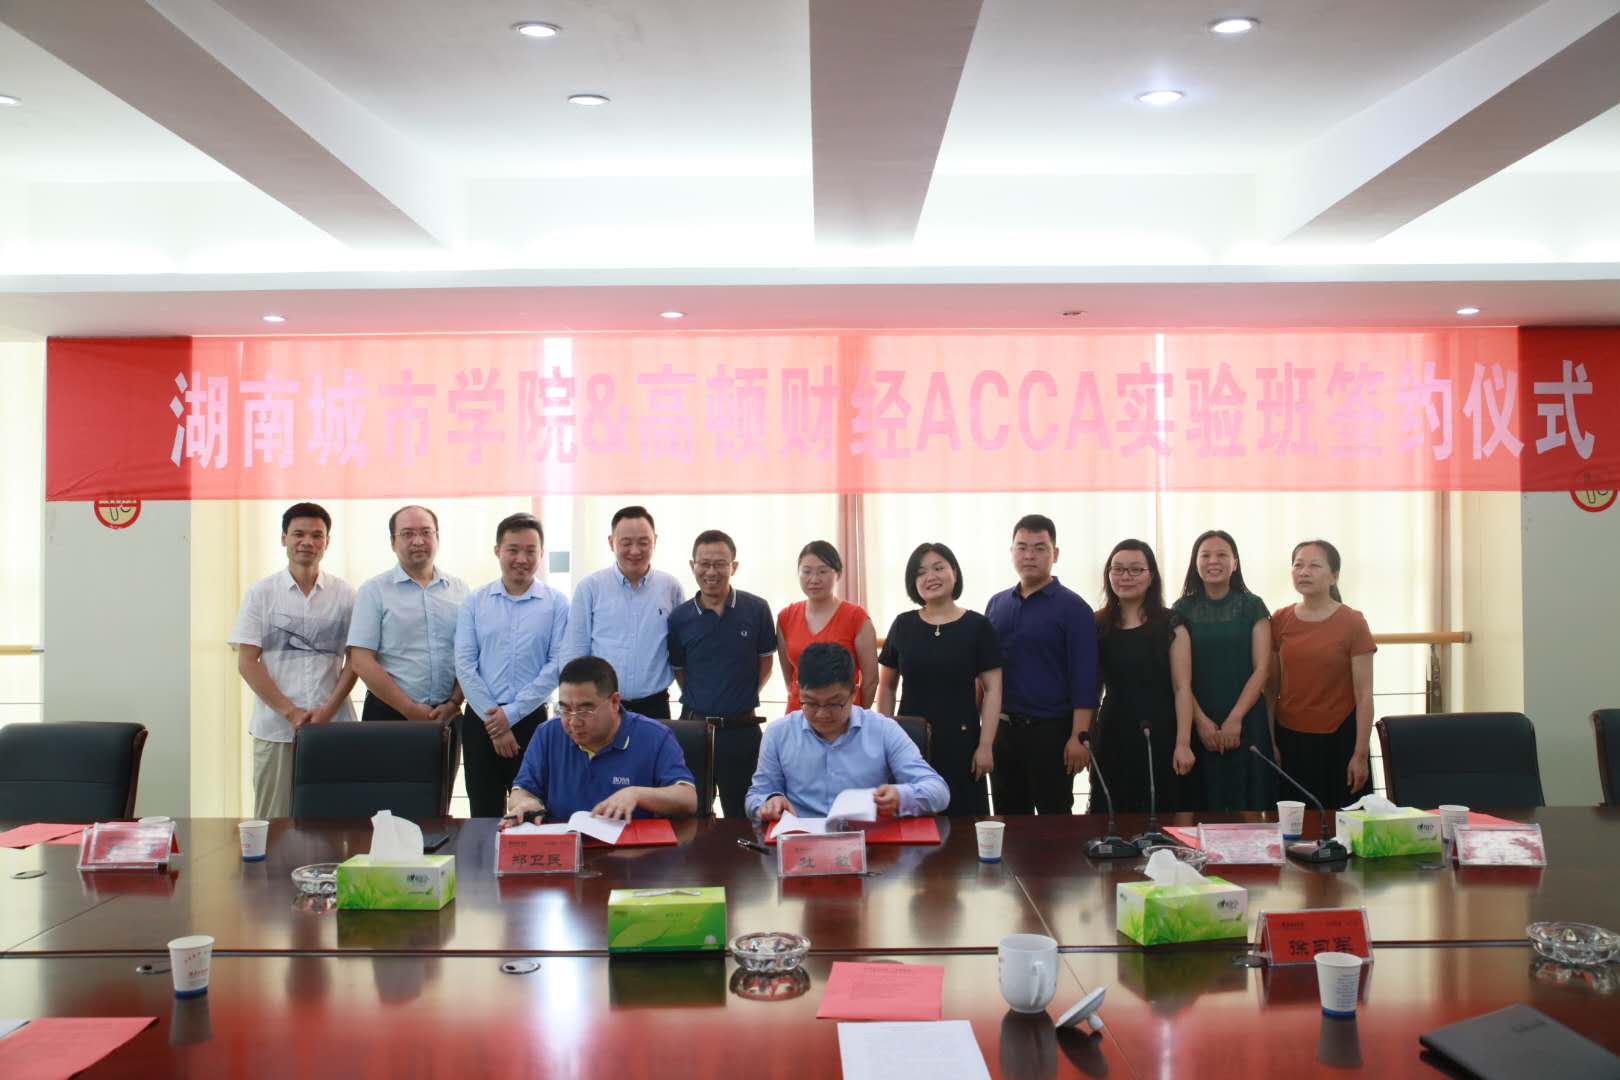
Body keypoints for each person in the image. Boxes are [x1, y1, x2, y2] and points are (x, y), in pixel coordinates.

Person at [229, 502, 359, 818]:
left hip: (334, 726)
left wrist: (327, 710)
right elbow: (247, 662)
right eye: (299, 534)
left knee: (336, 818)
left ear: (327, 542)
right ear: (284, 538)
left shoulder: (345, 594)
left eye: (316, 535)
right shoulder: (261, 593)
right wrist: (291, 711)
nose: (307, 542)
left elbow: (356, 660)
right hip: (276, 729)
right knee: (275, 820)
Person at [747, 643, 949, 821]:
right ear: (799, 691)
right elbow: (756, 796)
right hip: (800, 840)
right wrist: (770, 801)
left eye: (834, 703)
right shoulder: (778, 733)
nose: (822, 714)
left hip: (868, 842)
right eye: (811, 703)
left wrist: (901, 796)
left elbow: (938, 791)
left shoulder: (883, 730)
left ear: (854, 693)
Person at [453, 512, 569, 818]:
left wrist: (512, 714)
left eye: (530, 551)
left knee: (533, 811)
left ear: (541, 554)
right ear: (497, 551)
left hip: (532, 721)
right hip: (481, 721)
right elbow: (464, 664)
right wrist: (496, 722)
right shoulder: (475, 601)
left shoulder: (557, 603)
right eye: (513, 550)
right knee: (484, 814)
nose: (522, 559)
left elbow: (557, 664)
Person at [876, 542, 1004, 816]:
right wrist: (883, 739)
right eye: (920, 572)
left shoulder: (977, 626)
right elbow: (886, 687)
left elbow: (993, 689)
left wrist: (985, 746)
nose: (930, 577)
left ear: (954, 573)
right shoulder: (903, 625)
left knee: (964, 822)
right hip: (910, 742)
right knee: (913, 819)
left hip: (963, 742)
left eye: (938, 568)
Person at [984, 515, 1100, 814]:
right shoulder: (997, 604)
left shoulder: (1074, 608)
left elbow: (1085, 678)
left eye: (1039, 548)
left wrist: (1079, 737)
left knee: (1055, 821)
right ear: (1011, 552)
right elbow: (984, 671)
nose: (1029, 556)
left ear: (1055, 554)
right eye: (1022, 547)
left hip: (1052, 733)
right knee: (1008, 818)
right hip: (1003, 731)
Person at [501, 656, 698, 823]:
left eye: (585, 710)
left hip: (633, 850)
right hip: (566, 847)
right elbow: (521, 792)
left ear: (614, 702)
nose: (574, 721)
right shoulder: (547, 734)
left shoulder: (655, 736)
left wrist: (637, 794)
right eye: (565, 709)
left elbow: (688, 799)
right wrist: (525, 803)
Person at [668, 529, 777, 818]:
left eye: (720, 564)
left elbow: (765, 664)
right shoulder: (679, 618)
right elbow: (680, 672)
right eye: (704, 564)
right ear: (692, 566)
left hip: (742, 729)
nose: (711, 572)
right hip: (694, 730)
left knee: (744, 816)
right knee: (691, 815)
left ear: (734, 566)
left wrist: (737, 697)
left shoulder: (756, 609)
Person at [1172, 530, 1278, 811]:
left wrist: (1235, 719)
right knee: (1201, 806)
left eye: (1222, 555)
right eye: (1205, 555)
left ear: (1235, 563)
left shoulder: (1253, 606)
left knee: (1251, 806)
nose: (1213, 561)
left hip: (1246, 719)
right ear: (1195, 563)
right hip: (1197, 721)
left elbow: (1262, 669)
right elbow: (1179, 679)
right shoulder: (1181, 609)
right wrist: (1200, 722)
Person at [1268, 539, 1376, 811]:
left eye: (1314, 566)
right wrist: (1270, 739)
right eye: (1298, 565)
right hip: (1290, 738)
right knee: (1294, 822)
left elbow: (1364, 695)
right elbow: (1271, 690)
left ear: (1334, 576)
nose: (1304, 572)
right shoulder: (1280, 619)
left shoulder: (1353, 622)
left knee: (1344, 822)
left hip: (1340, 738)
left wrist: (1360, 754)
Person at [1089, 540, 1195, 814]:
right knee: (1110, 814)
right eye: (1118, 569)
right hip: (1112, 729)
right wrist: (1087, 739)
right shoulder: (1097, 624)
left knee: (1160, 812)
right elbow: (1092, 689)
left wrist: (1183, 743)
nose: (1126, 576)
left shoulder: (1172, 624)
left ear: (1151, 576)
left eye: (1136, 569)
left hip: (1160, 731)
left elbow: (1182, 688)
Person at [347, 506, 469, 735]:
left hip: (447, 715)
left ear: (438, 537)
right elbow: (361, 660)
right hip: (388, 715)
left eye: (426, 532)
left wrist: (454, 702)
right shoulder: (374, 591)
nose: (418, 541)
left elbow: (469, 652)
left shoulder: (459, 590)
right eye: (408, 534)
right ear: (392, 542)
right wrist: (408, 708)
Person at [562, 506, 684, 719]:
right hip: (602, 707)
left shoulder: (670, 587)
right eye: (626, 543)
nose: (635, 551)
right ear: (611, 542)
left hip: (655, 706)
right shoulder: (590, 588)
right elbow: (575, 651)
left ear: (655, 541)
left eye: (643, 542)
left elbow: (680, 649)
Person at [776, 541, 877, 713]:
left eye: (822, 571)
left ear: (838, 573)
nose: (814, 579)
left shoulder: (857, 618)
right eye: (806, 571)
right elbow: (789, 678)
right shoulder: (786, 617)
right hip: (798, 713)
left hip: (843, 714)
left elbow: (871, 680)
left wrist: (859, 715)